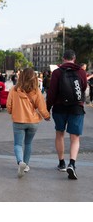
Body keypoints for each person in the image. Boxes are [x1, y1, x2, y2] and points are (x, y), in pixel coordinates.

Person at [46, 50, 87, 180]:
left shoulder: (57, 72)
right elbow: (84, 87)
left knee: (60, 134)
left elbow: (52, 92)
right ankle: (72, 164)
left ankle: (62, 163)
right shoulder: (81, 71)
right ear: (74, 59)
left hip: (59, 108)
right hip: (76, 107)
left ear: (63, 58)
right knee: (75, 138)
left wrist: (48, 107)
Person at [6, 68, 50, 178]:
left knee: (18, 144)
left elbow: (8, 106)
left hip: (18, 120)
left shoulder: (14, 90)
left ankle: (20, 161)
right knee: (28, 143)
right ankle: (26, 165)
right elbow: (41, 107)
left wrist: (12, 111)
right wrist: (47, 116)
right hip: (33, 122)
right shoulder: (36, 91)